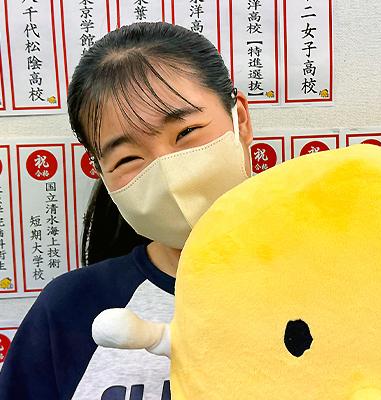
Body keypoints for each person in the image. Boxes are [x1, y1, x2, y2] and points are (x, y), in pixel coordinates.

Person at [0, 22, 253, 399]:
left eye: (185, 133)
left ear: (240, 119)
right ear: (102, 172)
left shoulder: (329, 272)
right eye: (128, 158)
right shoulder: (70, 307)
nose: (167, 171)